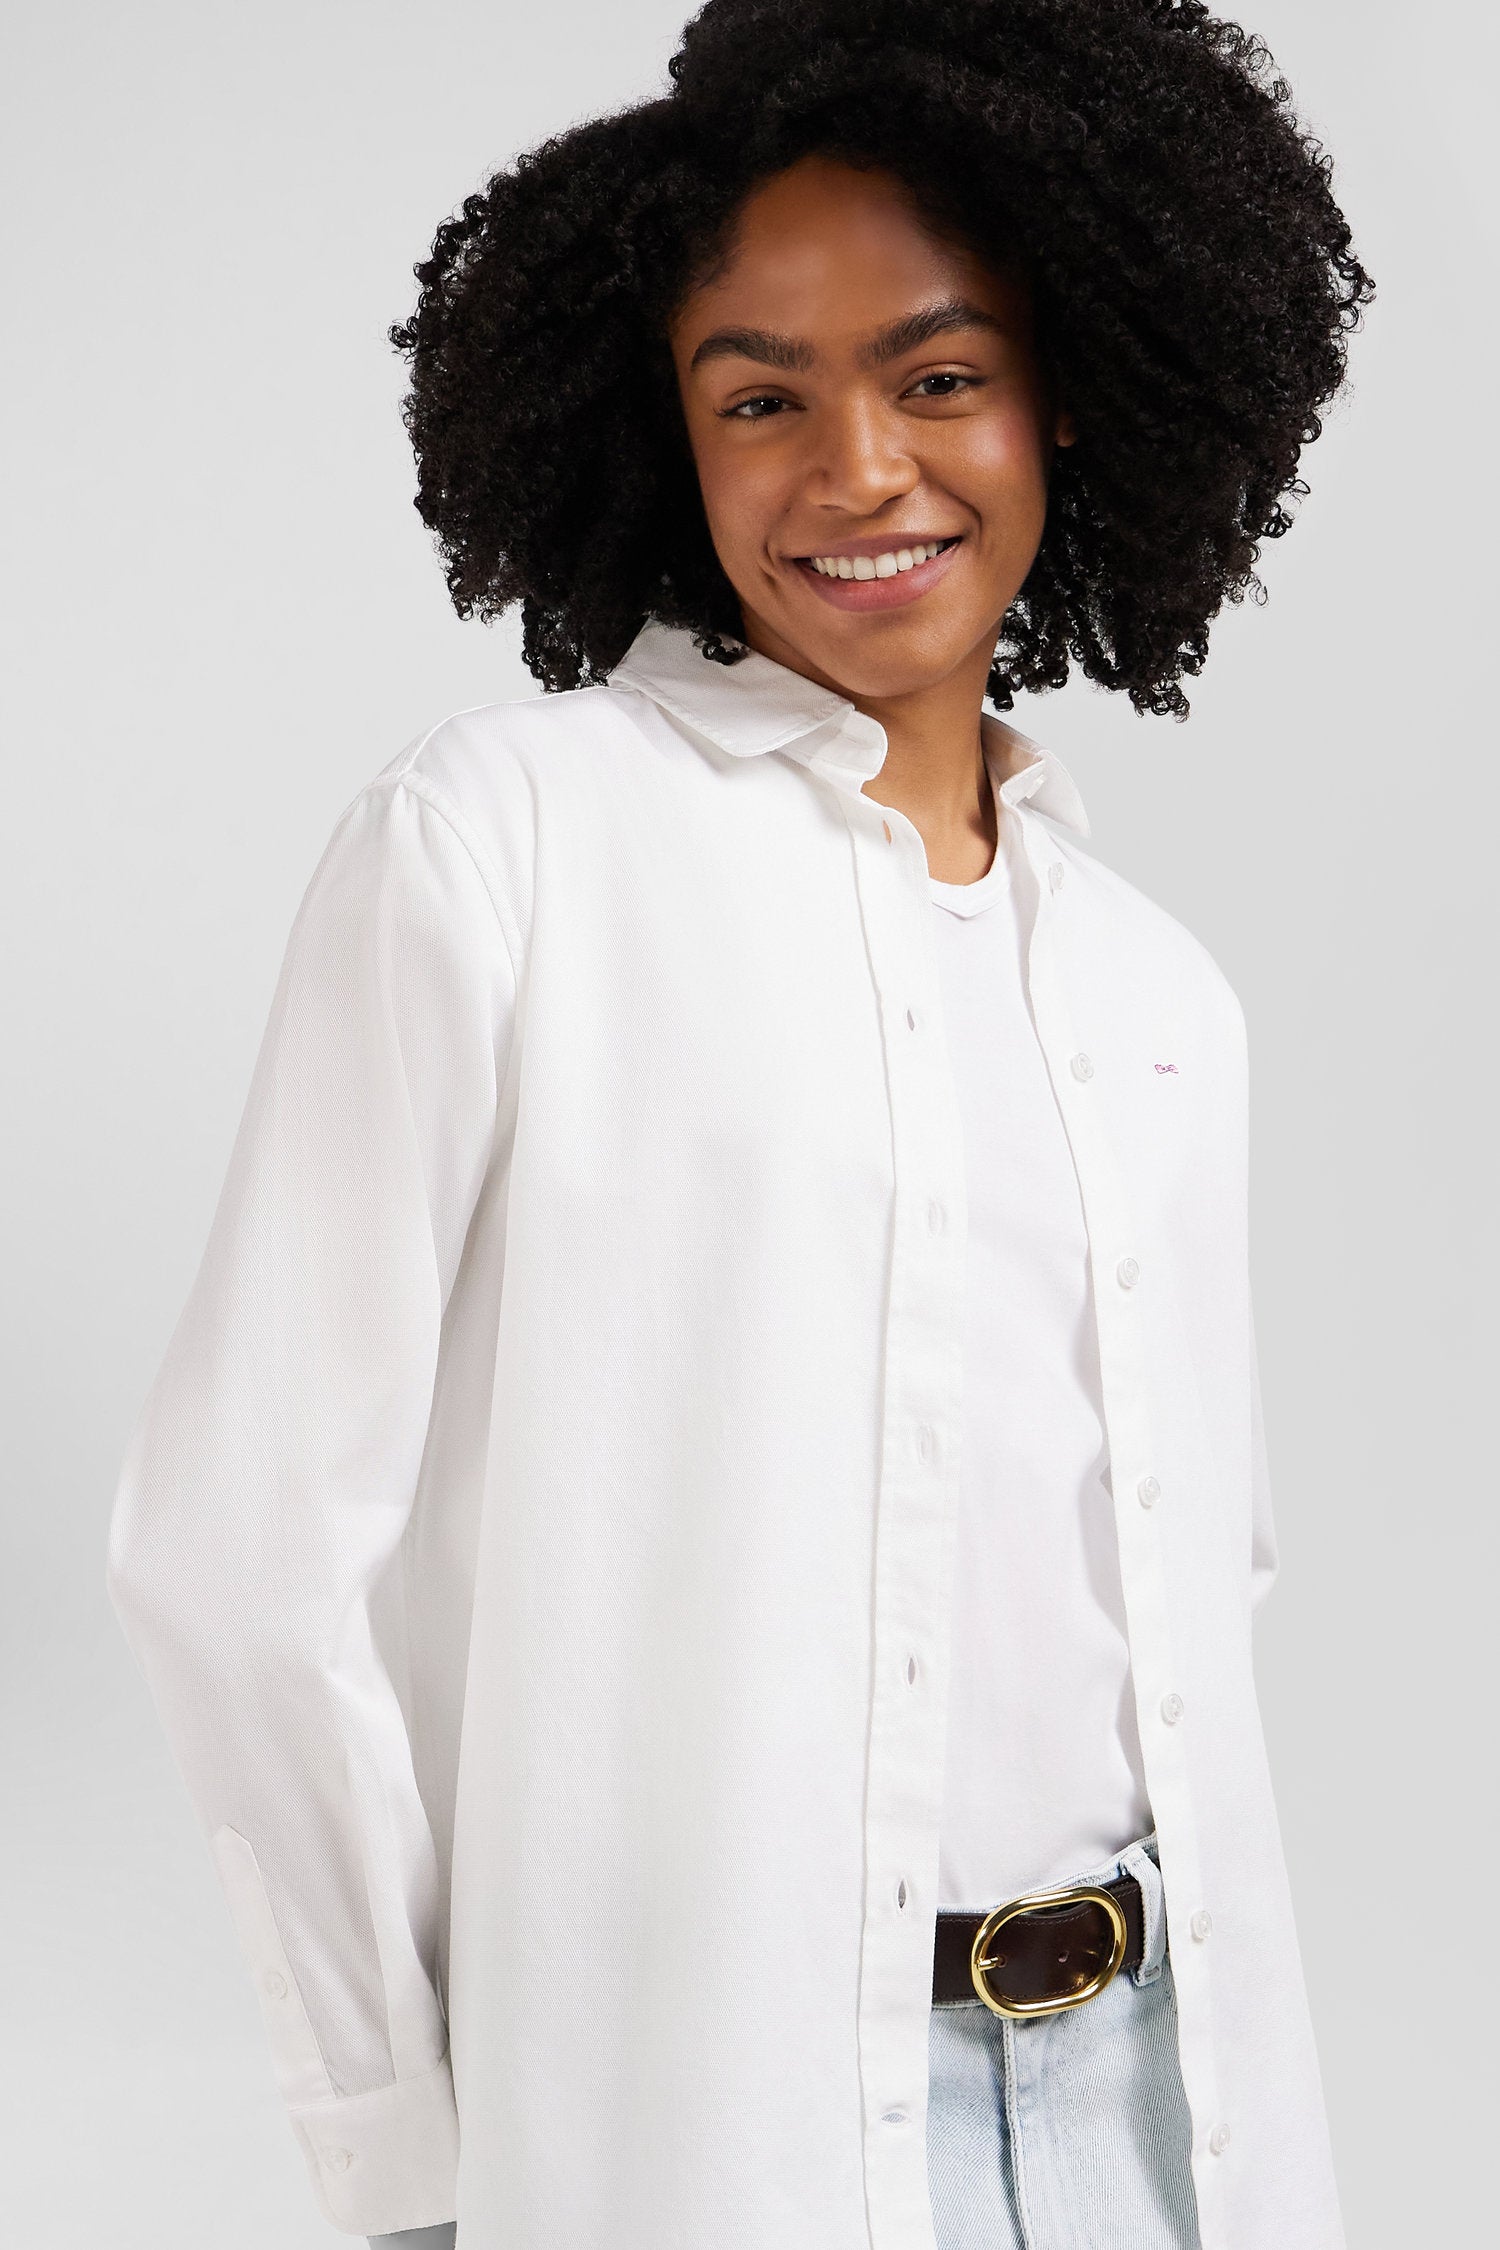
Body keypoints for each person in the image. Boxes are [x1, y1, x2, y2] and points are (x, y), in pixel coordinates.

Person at [105, 3, 1373, 2246]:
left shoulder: (1158, 989)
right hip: (714, 2130)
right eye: (761, 398)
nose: (860, 469)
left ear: (1070, 392)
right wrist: (400, 2140)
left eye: (940, 376)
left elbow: (1201, 1580)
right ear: (663, 436)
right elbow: (237, 1551)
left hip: (1177, 2113)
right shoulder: (500, 850)